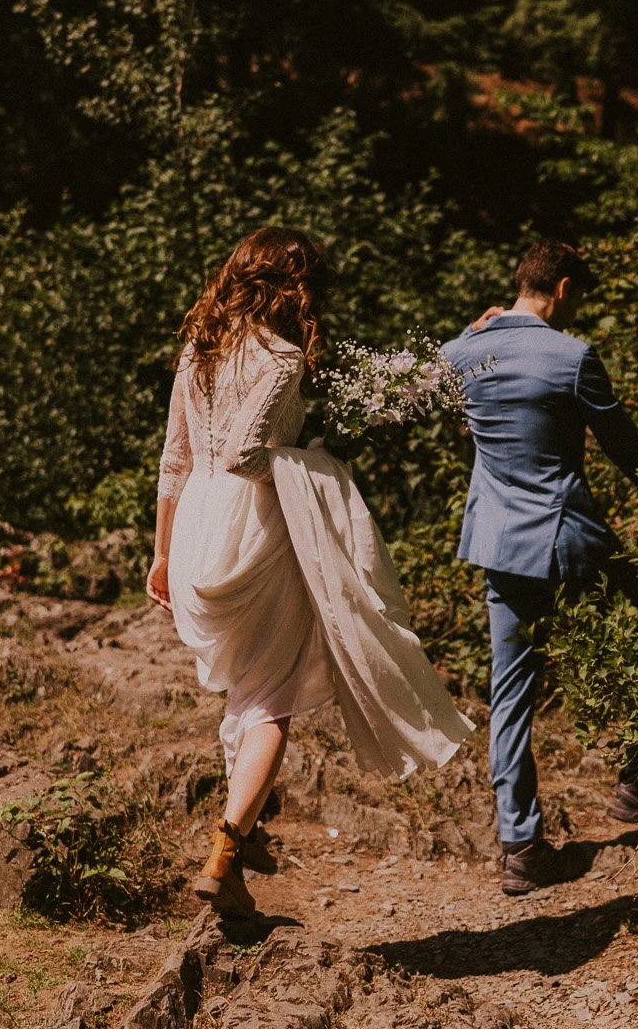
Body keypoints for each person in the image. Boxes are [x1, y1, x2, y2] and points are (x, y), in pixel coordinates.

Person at [149, 227, 471, 916]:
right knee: (272, 697)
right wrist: (317, 463)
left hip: (199, 523)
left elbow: (175, 457)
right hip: (254, 526)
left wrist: (163, 551)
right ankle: (226, 850)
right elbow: (245, 455)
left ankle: (254, 818)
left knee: (246, 682)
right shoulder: (283, 358)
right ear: (290, 284)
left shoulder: (196, 348)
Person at [442, 240, 638, 896]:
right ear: (564, 288)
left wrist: (468, 330)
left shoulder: (467, 354)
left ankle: (520, 845)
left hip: (500, 544)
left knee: (509, 690)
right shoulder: (571, 356)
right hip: (569, 538)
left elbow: (428, 373)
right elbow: (622, 442)